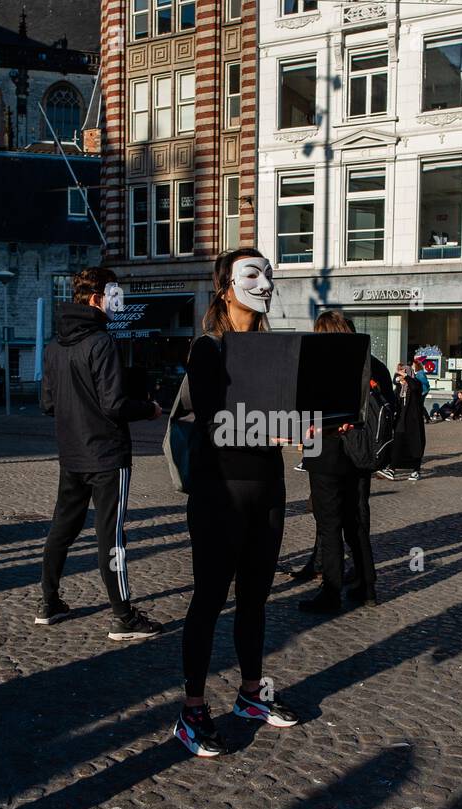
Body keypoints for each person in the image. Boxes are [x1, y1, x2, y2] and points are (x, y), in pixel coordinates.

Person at [175, 248, 298, 758]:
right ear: (226, 287)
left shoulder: (273, 349)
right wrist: (275, 427)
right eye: (252, 274)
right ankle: (192, 712)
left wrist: (309, 426)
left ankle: (251, 695)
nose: (264, 283)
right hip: (220, 492)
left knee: (255, 599)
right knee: (208, 600)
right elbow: (212, 425)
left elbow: (289, 413)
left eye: (268, 274)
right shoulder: (207, 349)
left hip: (267, 489)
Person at [37, 267, 164, 641]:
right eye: (113, 294)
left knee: (62, 528)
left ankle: (48, 602)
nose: (116, 301)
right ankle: (124, 616)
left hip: (71, 455)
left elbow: (47, 403)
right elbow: (114, 404)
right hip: (107, 455)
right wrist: (149, 409)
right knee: (111, 536)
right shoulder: (101, 342)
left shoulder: (54, 345)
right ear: (95, 299)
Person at [300, 309, 394, 613]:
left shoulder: (319, 364)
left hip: (324, 450)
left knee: (329, 525)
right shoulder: (373, 364)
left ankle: (331, 591)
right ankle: (367, 587)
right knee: (355, 523)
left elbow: (307, 409)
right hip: (359, 452)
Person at [381, 363, 427, 481]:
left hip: (414, 422)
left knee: (415, 445)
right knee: (397, 444)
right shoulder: (400, 389)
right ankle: (392, 469)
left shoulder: (416, 384)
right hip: (401, 420)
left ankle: (416, 470)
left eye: (403, 375)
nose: (401, 379)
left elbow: (415, 387)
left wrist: (406, 377)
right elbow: (394, 383)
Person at [414, 359, 433, 423]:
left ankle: (427, 418)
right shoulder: (420, 372)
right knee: (420, 405)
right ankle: (427, 418)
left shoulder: (420, 373)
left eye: (414, 365)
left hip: (423, 391)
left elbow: (425, 381)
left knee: (420, 405)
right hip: (423, 391)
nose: (413, 366)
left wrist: (428, 386)